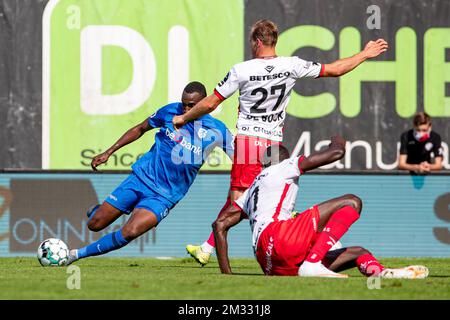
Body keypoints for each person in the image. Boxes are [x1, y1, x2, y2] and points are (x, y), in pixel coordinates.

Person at [172, 19, 389, 265]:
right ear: (274, 40)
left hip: (248, 143)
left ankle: (217, 250)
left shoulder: (241, 69)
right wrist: (365, 53)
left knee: (240, 200)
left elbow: (211, 103)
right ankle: (208, 246)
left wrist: (184, 117)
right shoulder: (292, 65)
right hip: (274, 146)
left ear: (256, 41)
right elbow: (336, 69)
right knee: (261, 195)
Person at [213, 135, 429, 279]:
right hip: (279, 237)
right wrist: (339, 140)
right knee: (352, 202)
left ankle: (380, 274)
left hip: (270, 264)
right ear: (284, 159)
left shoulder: (252, 188)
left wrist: (227, 276)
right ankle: (313, 263)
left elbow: (220, 224)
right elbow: (335, 153)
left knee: (358, 253)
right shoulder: (284, 167)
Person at [65, 81, 234, 264]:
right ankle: (97, 211)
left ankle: (75, 255)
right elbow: (140, 128)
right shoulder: (170, 111)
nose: (185, 109)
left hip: (165, 195)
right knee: (95, 224)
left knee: (130, 231)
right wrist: (109, 151)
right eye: (183, 103)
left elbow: (239, 156)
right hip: (140, 178)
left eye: (191, 106)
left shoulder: (217, 129)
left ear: (204, 104)